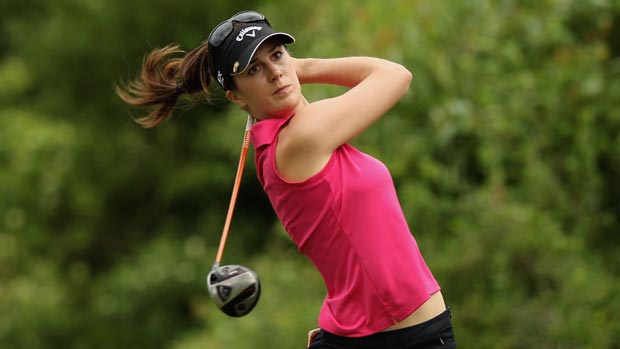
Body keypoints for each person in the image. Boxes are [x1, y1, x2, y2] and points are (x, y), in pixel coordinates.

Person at [117, 10, 456, 349]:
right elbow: (394, 75)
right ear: (236, 98)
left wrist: (289, 70)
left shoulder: (288, 139)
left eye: (277, 55)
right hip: (404, 339)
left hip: (382, 335)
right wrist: (303, 67)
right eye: (254, 70)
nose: (275, 72)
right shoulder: (299, 139)